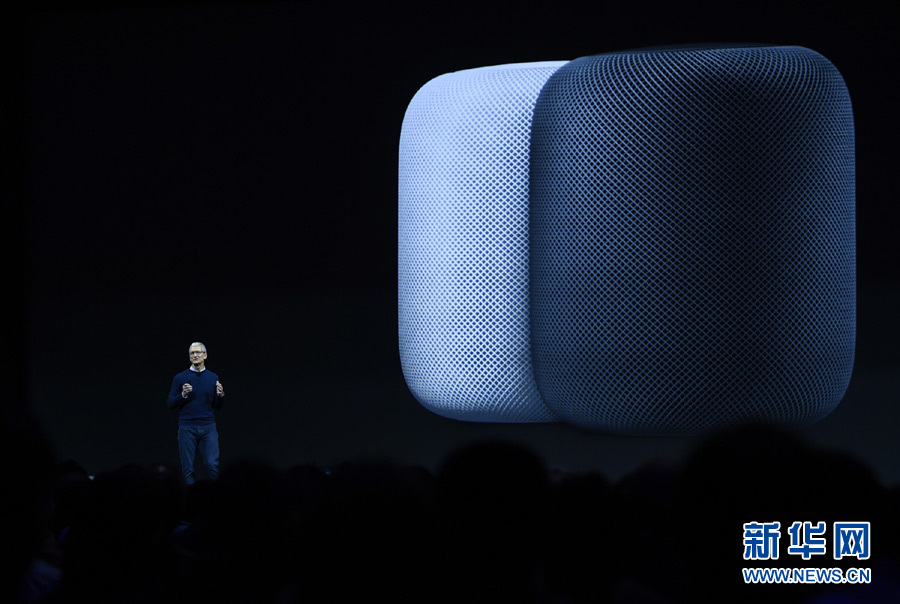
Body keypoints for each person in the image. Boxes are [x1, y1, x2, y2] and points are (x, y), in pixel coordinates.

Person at [166, 342, 225, 484]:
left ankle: (216, 495)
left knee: (212, 465)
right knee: (188, 469)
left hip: (208, 426)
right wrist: (183, 395)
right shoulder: (180, 378)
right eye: (192, 353)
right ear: (189, 357)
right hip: (187, 427)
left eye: (198, 352)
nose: (195, 355)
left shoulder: (213, 377)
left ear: (205, 355)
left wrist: (220, 395)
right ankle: (190, 496)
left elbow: (217, 406)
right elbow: (170, 404)